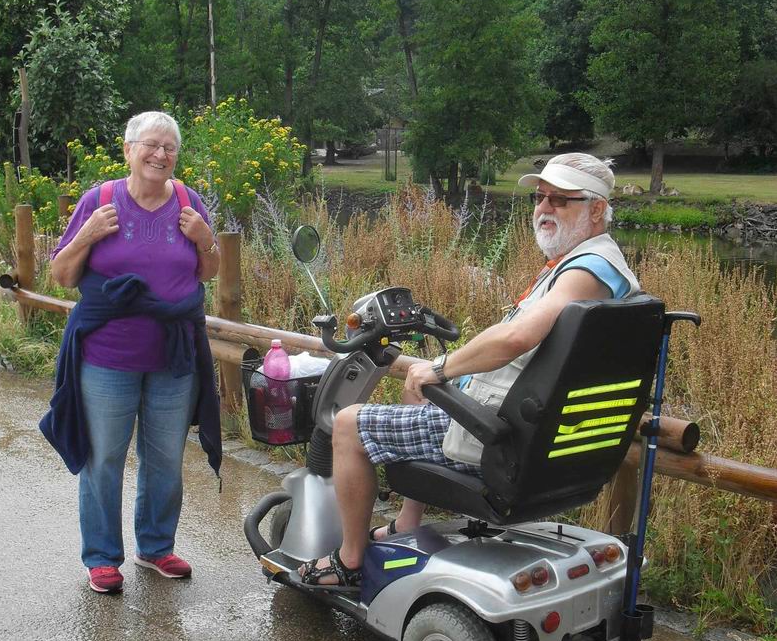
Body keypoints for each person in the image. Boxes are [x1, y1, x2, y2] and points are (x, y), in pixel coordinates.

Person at [299, 152, 639, 588]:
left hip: (500, 439)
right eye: (540, 197)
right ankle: (407, 523)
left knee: (347, 424)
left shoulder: (585, 272)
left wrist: (442, 367)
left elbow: (517, 338)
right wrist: (439, 373)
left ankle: (347, 561)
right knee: (415, 385)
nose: (544, 208)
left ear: (596, 210)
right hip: (542, 435)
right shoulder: (599, 267)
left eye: (561, 200)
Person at [41, 111, 222, 594]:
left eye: (170, 148)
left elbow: (207, 272)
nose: (161, 155)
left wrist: (207, 241)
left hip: (173, 358)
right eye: (151, 145)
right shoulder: (99, 202)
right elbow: (61, 275)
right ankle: (101, 557)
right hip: (107, 357)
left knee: (165, 458)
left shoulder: (188, 201)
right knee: (104, 459)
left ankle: (156, 547)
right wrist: (88, 234)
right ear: (128, 150)